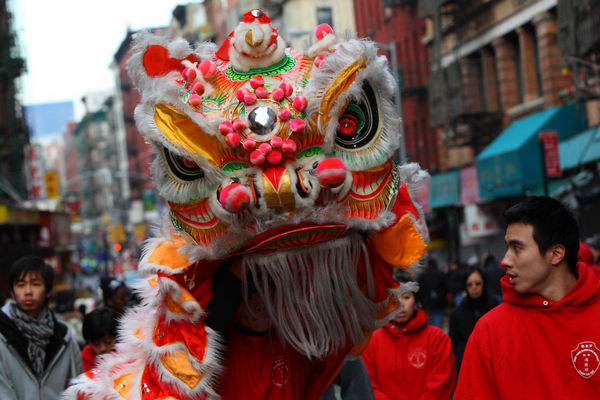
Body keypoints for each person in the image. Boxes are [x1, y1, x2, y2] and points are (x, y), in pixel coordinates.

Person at [455, 196, 600, 399]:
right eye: (507, 247)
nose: (505, 260)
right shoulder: (489, 330)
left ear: (556, 253)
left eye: (517, 248)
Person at [0, 256, 83, 399]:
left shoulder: (65, 337)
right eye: (20, 285)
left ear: (48, 291)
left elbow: (77, 387)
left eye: (35, 284)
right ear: (12, 292)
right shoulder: (2, 333)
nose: (27, 291)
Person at [362, 279, 456, 400]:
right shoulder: (372, 341)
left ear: (416, 302)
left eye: (406, 297)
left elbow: (442, 383)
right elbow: (368, 385)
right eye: (393, 298)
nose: (401, 304)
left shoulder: (437, 338)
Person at [449, 266, 498, 372]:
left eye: (478, 283)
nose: (474, 287)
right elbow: (454, 345)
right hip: (469, 366)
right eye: (469, 284)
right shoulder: (457, 313)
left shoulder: (494, 307)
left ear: (483, 283)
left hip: (493, 364)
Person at [81, 307, 118, 372]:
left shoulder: (130, 354)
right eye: (96, 344)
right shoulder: (83, 360)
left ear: (117, 337)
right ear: (88, 342)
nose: (102, 349)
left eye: (108, 342)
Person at [417, 258, 447, 328]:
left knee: (429, 325)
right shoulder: (440, 274)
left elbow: (419, 289)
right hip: (439, 303)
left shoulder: (423, 276)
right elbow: (445, 288)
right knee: (437, 324)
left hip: (427, 303)